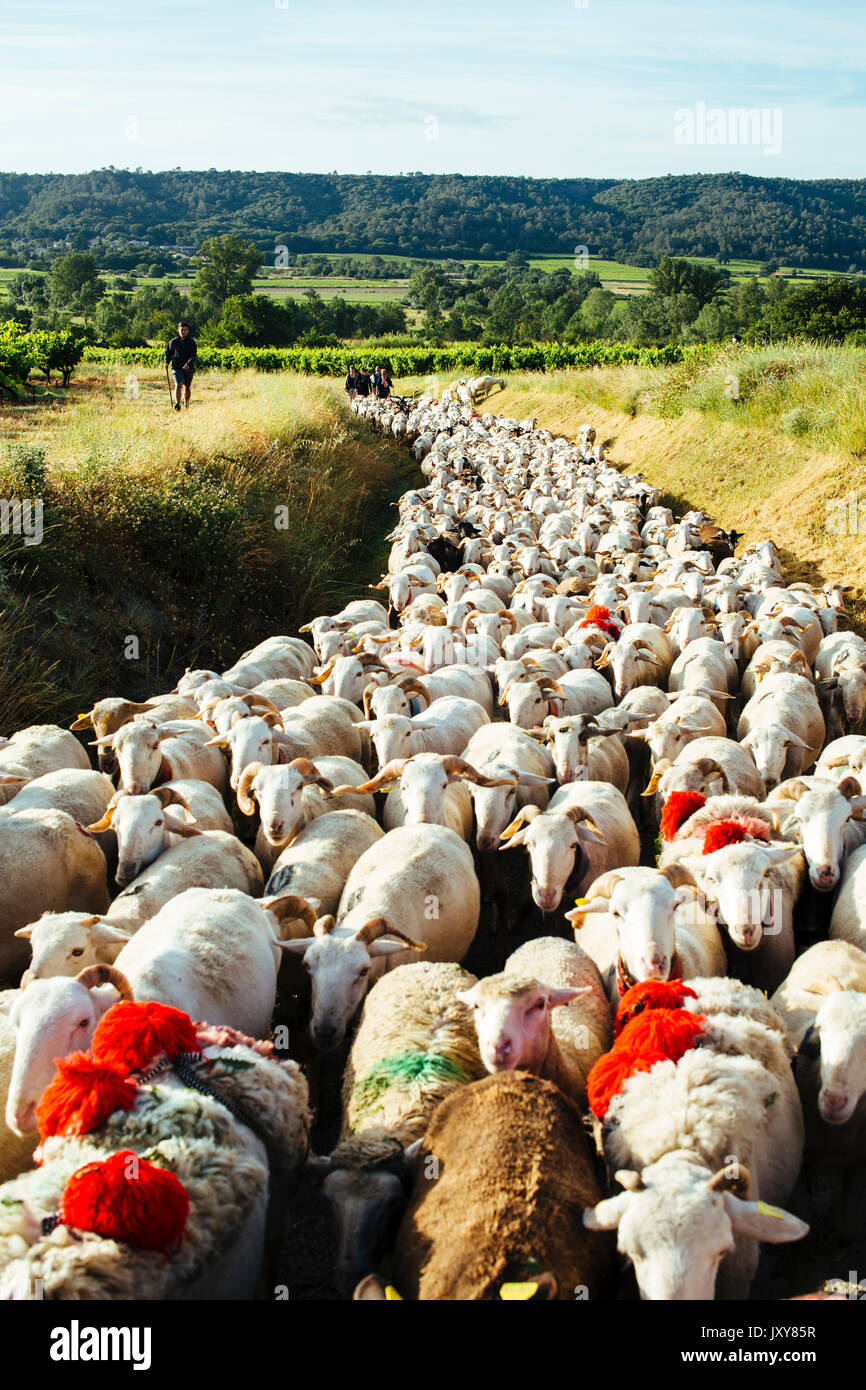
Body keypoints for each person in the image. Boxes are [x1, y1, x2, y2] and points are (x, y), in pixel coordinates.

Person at [165, 321, 197, 411]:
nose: (183, 332)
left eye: (185, 330)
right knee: (178, 384)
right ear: (178, 330)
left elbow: (194, 355)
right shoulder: (173, 342)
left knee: (187, 386)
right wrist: (167, 362)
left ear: (188, 331)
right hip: (176, 367)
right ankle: (178, 403)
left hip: (188, 368)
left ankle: (186, 403)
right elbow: (168, 353)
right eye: (182, 330)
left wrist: (188, 364)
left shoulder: (191, 342)